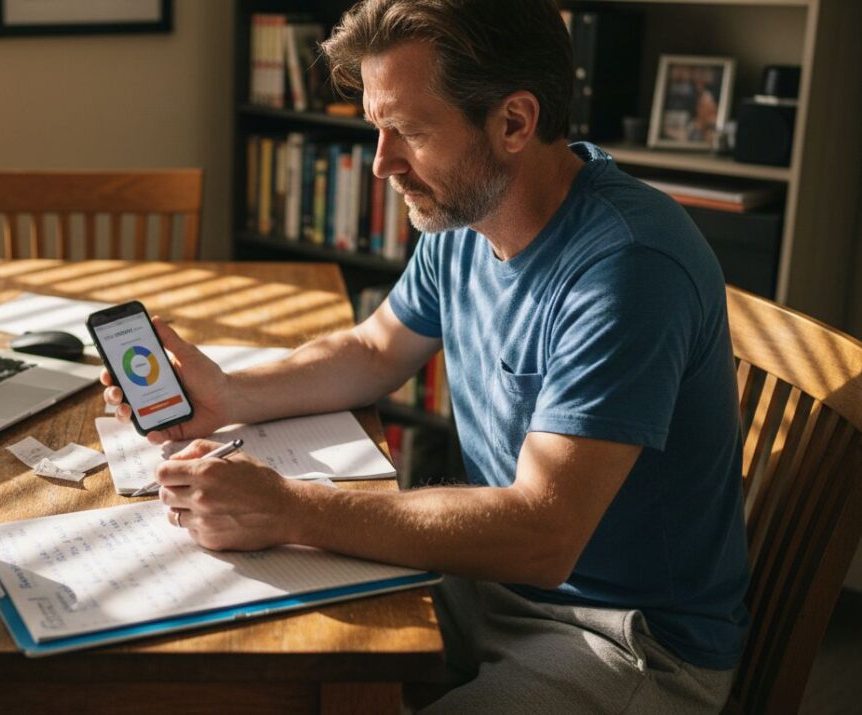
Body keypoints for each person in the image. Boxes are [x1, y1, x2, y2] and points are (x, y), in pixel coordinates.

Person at [102, 0, 749, 711]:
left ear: (514, 123)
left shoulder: (629, 265)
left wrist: (290, 507)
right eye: (379, 130)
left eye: (407, 131)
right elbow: (375, 347)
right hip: (488, 586)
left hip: (621, 638)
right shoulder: (467, 216)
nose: (383, 165)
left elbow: (543, 533)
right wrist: (229, 393)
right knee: (252, 657)